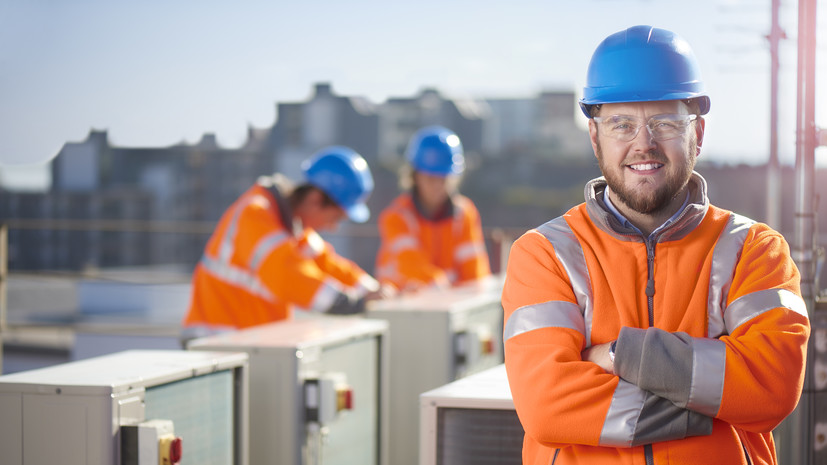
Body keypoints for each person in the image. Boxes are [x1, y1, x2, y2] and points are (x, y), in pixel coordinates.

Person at [502, 25, 810, 465]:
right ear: (595, 137)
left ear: (698, 133)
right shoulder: (544, 254)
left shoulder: (754, 250)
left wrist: (617, 354)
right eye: (621, 124)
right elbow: (547, 407)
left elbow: (771, 387)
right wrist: (716, 400)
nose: (642, 143)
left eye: (665, 122)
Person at [183, 146, 391, 334]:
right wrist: (354, 303)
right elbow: (289, 275)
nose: (333, 227)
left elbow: (329, 265)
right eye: (336, 217)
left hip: (246, 342)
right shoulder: (256, 213)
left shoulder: (294, 228)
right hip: (213, 344)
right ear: (315, 199)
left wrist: (375, 291)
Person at [375, 125, 491, 292]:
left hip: (450, 304)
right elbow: (411, 265)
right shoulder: (396, 217)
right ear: (415, 176)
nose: (437, 186)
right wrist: (441, 287)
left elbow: (475, 271)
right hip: (401, 306)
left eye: (443, 178)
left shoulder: (465, 213)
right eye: (430, 178)